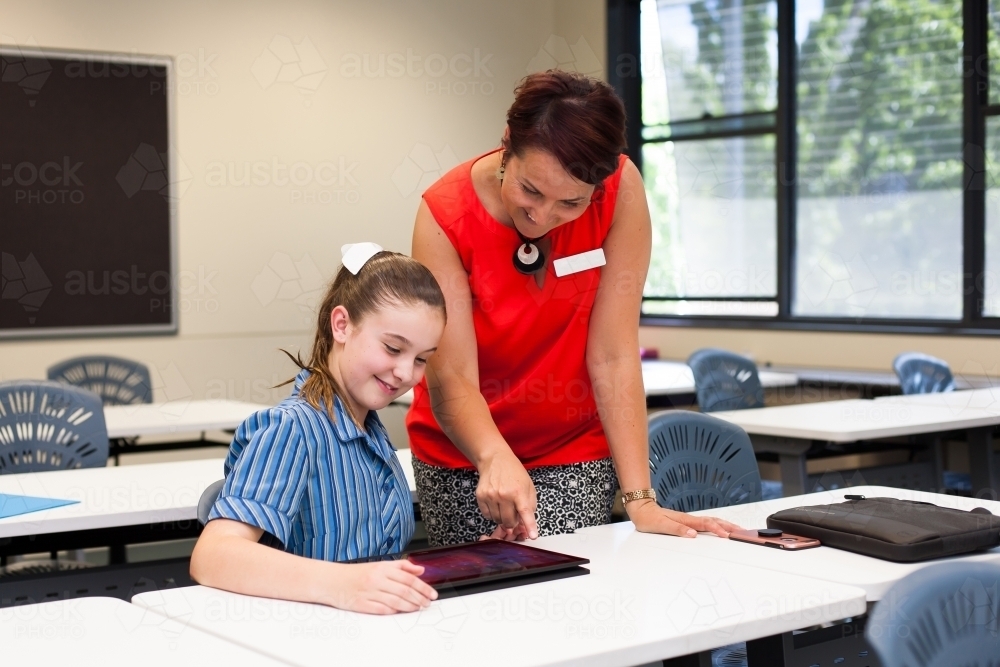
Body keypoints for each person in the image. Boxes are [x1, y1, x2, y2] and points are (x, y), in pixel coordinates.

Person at [407, 70, 740, 545]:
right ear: (507, 145)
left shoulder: (621, 191)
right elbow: (452, 373)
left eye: (571, 203)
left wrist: (640, 499)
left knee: (572, 596)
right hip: (466, 453)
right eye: (530, 190)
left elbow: (614, 354)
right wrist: (493, 455)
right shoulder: (444, 215)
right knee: (485, 605)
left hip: (571, 447)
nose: (542, 217)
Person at [190, 245, 445, 615]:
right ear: (341, 325)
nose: (407, 373)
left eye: (421, 359)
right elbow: (212, 556)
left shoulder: (371, 430)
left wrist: (482, 555)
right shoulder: (292, 429)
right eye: (393, 348)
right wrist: (344, 585)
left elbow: (376, 562)